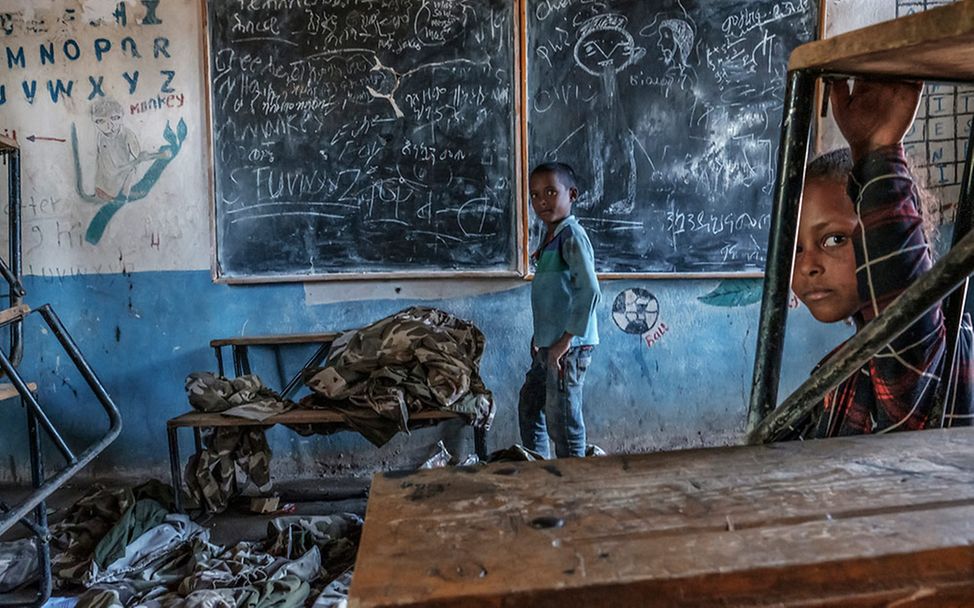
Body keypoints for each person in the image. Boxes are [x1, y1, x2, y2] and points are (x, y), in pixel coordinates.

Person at [792, 78, 973, 437]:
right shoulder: (839, 373)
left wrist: (878, 154)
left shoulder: (929, 352)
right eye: (796, 248)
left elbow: (899, 307)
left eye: (834, 239)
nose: (807, 265)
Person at [518, 162, 601, 458]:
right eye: (536, 195)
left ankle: (571, 485)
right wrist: (540, 336)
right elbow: (554, 296)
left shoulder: (572, 236)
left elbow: (590, 291)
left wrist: (564, 342)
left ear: (573, 194)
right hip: (550, 344)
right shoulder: (553, 238)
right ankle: (541, 471)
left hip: (569, 347)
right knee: (530, 404)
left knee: (563, 422)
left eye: (551, 192)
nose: (542, 201)